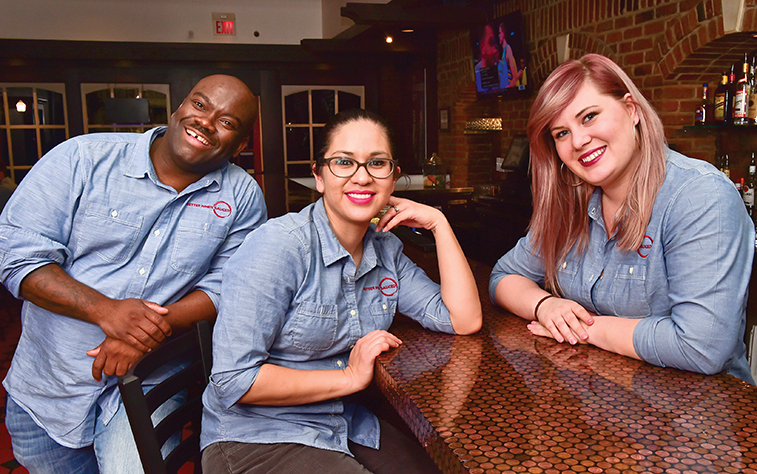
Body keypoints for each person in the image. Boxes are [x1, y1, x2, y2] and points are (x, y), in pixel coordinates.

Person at [0, 74, 268, 474]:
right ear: (178, 108)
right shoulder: (82, 158)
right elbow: (16, 256)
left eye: (227, 122)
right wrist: (107, 311)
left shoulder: (242, 195)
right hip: (49, 388)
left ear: (241, 144)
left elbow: (230, 286)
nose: (207, 122)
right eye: (199, 105)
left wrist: (143, 335)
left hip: (149, 385)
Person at [201, 108, 482, 474]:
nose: (362, 177)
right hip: (256, 439)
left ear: (394, 178)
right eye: (344, 162)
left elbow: (463, 319)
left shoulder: (385, 249)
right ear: (318, 177)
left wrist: (439, 224)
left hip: (344, 422)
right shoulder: (278, 247)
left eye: (377, 163)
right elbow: (233, 380)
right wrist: (349, 377)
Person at [489, 54, 755, 384]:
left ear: (631, 110)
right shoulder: (571, 201)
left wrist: (583, 329)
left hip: (695, 416)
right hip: (601, 405)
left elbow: (701, 346)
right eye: (561, 133)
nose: (578, 141)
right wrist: (544, 305)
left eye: (589, 117)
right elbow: (503, 277)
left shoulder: (700, 197)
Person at [497, 22, 522, 89]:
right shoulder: (502, 54)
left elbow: (514, 77)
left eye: (499, 33)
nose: (498, 36)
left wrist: (507, 88)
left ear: (504, 34)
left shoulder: (508, 49)